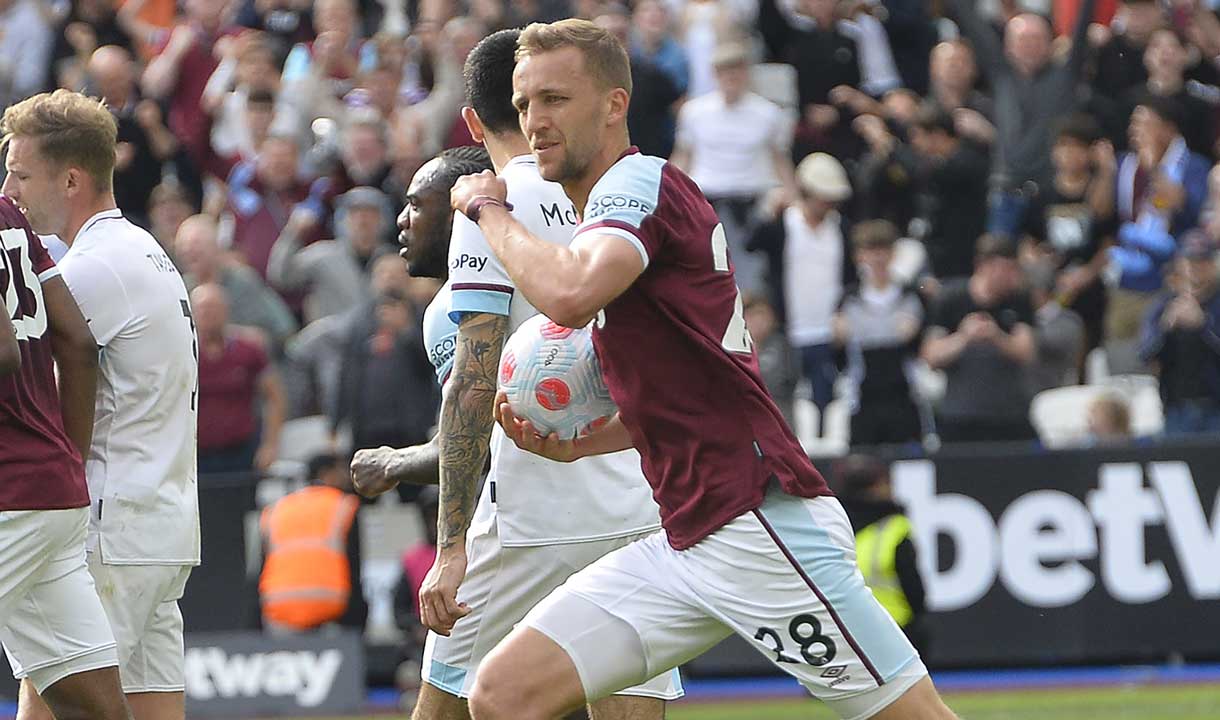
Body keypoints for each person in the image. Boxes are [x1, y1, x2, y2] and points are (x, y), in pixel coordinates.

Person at [444, 18, 955, 720]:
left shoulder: (639, 185)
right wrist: (581, 443)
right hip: (684, 540)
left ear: (615, 104)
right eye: (526, 103)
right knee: (502, 693)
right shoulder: (609, 209)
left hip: (759, 526)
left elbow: (568, 292)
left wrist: (487, 210)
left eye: (556, 99)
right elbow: (684, 389)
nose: (535, 121)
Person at [355, 31, 680, 720]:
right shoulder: (629, 191)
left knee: (446, 709)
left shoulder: (491, 202)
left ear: (474, 121)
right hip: (633, 502)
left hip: (527, 515)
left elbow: (472, 385)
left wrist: (448, 550)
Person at [1, 89, 199, 720]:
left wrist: (65, 460)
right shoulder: (144, 251)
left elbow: (54, 364)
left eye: (21, 173)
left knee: (51, 705)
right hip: (163, 528)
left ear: (71, 178)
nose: (10, 188)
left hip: (109, 526)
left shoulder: (90, 269)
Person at [0, 195, 132, 720]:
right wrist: (65, 462)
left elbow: (2, 351)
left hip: (9, 492)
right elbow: (77, 341)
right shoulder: (9, 213)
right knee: (94, 711)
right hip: (49, 493)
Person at [949, 0, 1098, 237]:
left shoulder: (1066, 76)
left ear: (1050, 43)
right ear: (1008, 46)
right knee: (997, 259)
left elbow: (1082, 25)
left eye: (1036, 39)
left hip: (1054, 193)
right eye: (1023, 40)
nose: (1030, 46)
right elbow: (971, 22)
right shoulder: (1001, 75)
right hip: (1006, 192)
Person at [921, 235, 1037, 444]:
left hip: (1010, 414)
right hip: (960, 415)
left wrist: (997, 336)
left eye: (1014, 269)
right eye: (1004, 269)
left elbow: (1026, 352)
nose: (1011, 277)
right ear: (983, 266)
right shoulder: (950, 299)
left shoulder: (1018, 300)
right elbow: (931, 355)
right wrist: (964, 337)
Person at [833, 221, 924, 447]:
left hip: (903, 394)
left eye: (883, 250)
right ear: (859, 256)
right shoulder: (849, 299)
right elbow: (840, 350)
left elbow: (914, 341)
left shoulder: (910, 295)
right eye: (870, 251)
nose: (877, 258)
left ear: (893, 254)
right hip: (864, 396)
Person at [259, 452, 367, 633]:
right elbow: (354, 565)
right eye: (341, 471)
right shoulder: (344, 506)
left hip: (278, 608)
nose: (347, 478)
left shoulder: (276, 509)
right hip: (332, 608)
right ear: (326, 473)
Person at [832, 455, 928, 655]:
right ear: (877, 485)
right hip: (894, 628)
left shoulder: (828, 525)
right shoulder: (894, 527)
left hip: (840, 630)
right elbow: (915, 591)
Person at [193, 283, 286, 474]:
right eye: (203, 309)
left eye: (214, 309)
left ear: (226, 310)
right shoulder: (185, 354)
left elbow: (275, 397)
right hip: (197, 455)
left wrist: (270, 445)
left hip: (242, 451)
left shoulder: (249, 350)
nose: (208, 315)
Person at [1139, 229, 1220, 435]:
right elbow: (1145, 354)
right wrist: (1165, 328)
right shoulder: (1164, 304)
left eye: (1202, 262)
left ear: (1212, 265)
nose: (1195, 269)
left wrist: (1204, 326)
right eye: (1190, 262)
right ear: (1180, 264)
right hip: (1177, 408)